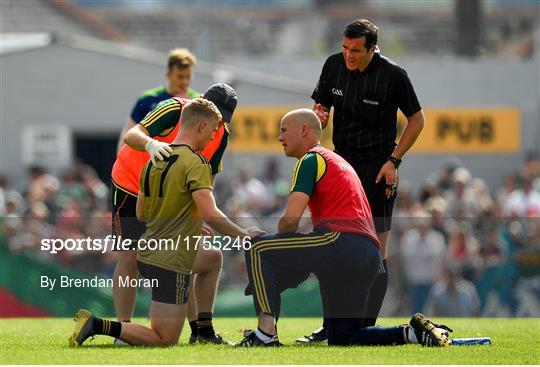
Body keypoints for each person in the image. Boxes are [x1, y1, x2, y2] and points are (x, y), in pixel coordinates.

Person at [236, 109, 447, 347]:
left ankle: (265, 334)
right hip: (368, 254)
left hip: (341, 241)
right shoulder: (337, 161)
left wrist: (271, 253)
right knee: (345, 338)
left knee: (257, 247)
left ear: (304, 130)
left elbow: (290, 221)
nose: (279, 137)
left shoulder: (310, 158)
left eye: (284, 130)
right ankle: (411, 332)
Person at [69, 99, 265, 347]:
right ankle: (96, 325)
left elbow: (141, 212)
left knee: (213, 257)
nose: (215, 136)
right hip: (171, 261)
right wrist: (242, 234)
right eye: (214, 130)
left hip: (149, 254)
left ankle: (202, 331)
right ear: (202, 127)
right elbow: (211, 212)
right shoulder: (196, 163)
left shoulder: (154, 159)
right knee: (163, 339)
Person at [299, 18, 425, 343]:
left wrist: (394, 161)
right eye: (344, 48)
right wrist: (320, 114)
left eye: (355, 50)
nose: (348, 55)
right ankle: (331, 326)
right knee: (331, 245)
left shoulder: (394, 75)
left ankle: (365, 325)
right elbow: (321, 106)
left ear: (372, 49)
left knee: (377, 250)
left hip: (379, 168)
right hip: (341, 167)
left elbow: (417, 120)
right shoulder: (333, 65)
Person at [110, 83, 236, 344]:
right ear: (202, 104)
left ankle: (201, 331)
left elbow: (206, 182)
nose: (217, 124)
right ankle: (124, 329)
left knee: (187, 255)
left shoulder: (220, 133)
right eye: (216, 116)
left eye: (222, 118)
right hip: (132, 186)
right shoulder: (173, 108)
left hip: (173, 197)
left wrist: (195, 217)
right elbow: (132, 135)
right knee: (130, 258)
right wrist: (151, 145)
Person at [116, 48, 199, 152]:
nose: (184, 82)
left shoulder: (197, 101)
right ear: (168, 74)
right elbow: (128, 133)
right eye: (180, 77)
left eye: (188, 77)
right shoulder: (148, 99)